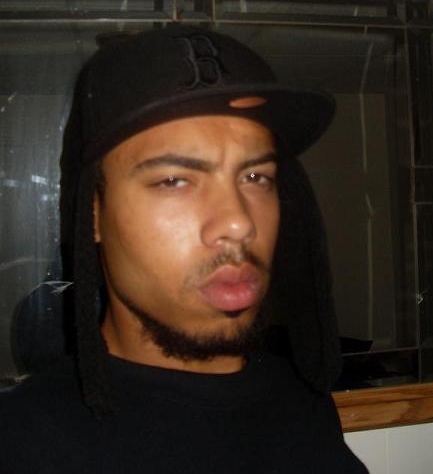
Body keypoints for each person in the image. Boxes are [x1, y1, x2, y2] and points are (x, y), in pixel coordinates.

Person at [0, 25, 368, 473]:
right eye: (174, 180)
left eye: (256, 177)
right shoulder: (21, 442)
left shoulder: (302, 404)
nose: (239, 223)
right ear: (91, 213)